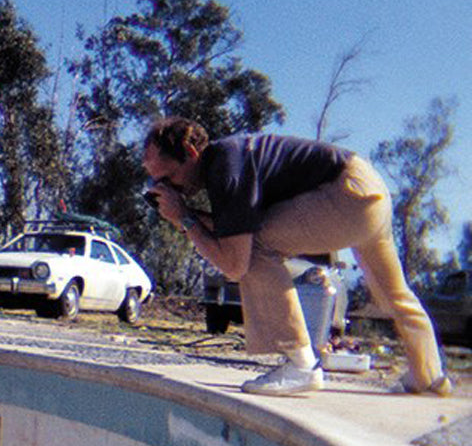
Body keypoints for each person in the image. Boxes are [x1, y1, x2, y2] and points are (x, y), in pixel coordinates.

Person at [142, 116, 451, 397]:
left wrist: (185, 218)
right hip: (368, 189)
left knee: (256, 249)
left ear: (192, 154)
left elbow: (235, 264)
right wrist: (188, 216)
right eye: (157, 183)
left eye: (168, 179)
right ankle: (429, 374)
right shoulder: (231, 158)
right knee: (391, 292)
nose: (166, 188)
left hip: (346, 193)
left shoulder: (225, 167)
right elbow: (231, 231)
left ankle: (301, 364)